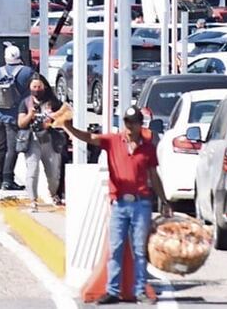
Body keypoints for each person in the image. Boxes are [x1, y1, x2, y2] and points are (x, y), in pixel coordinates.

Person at [61, 106, 171, 305]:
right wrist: (70, 128)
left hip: (141, 203)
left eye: (134, 122)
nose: (130, 126)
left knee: (139, 250)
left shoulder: (147, 147)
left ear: (140, 124)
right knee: (116, 248)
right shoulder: (113, 141)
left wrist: (164, 200)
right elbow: (90, 138)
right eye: (128, 122)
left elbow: (153, 175)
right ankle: (112, 290)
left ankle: (139, 290)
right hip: (119, 203)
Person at [17, 73, 65, 211]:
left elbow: (64, 118)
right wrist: (30, 115)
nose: (37, 89)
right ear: (30, 87)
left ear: (45, 87)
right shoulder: (25, 103)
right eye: (34, 87)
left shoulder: (53, 102)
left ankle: (54, 193)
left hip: (49, 140)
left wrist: (51, 122)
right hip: (32, 140)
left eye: (39, 86)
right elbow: (21, 123)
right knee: (32, 171)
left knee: (53, 173)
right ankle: (33, 200)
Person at [0, 43, 31, 191]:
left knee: (1, 147)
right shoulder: (27, 72)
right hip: (15, 116)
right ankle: (8, 180)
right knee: (12, 149)